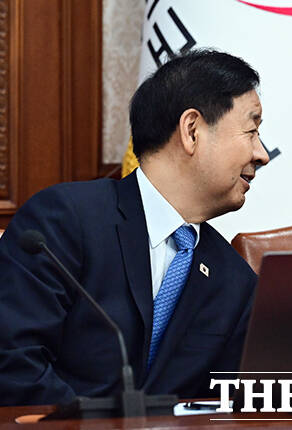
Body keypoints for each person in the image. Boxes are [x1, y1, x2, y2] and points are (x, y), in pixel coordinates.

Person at [0, 49, 269, 405]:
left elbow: (229, 403)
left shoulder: (235, 280)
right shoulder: (64, 221)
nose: (262, 154)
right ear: (192, 131)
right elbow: (14, 365)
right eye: (251, 131)